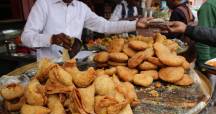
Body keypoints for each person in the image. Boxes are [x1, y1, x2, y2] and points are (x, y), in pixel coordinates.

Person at [21, 0, 149, 63]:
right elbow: (26, 37)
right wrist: (51, 38)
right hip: (47, 67)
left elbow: (105, 26)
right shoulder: (43, 4)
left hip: (72, 66)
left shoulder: (81, 7)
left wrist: (135, 24)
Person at [169, 20, 216, 114]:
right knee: (202, 102)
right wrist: (206, 65)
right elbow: (208, 35)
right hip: (210, 65)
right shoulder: (211, 5)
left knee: (210, 101)